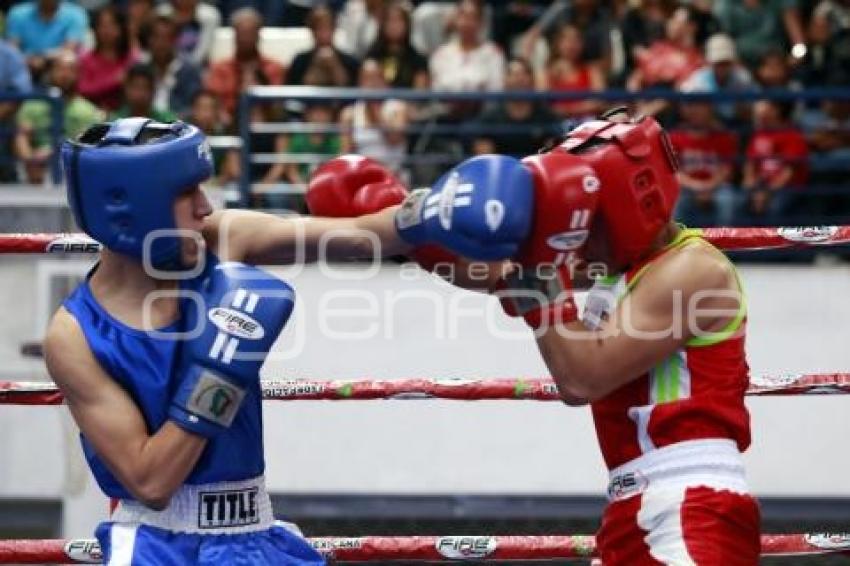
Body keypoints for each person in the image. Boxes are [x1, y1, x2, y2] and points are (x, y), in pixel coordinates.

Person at [47, 116, 516, 563]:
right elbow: (151, 481)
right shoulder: (74, 337)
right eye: (186, 193)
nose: (204, 207)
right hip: (158, 546)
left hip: (254, 534)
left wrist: (431, 207)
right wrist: (221, 370)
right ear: (135, 207)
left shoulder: (223, 240)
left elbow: (358, 233)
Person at [310, 110, 761, 565]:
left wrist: (541, 270)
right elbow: (492, 274)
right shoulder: (617, 267)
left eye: (590, 216)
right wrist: (421, 232)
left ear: (633, 199)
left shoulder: (693, 270)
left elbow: (582, 378)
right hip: (635, 504)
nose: (580, 232)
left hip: (691, 503)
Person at [15, 50, 103, 184]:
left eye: (70, 70)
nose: (65, 75)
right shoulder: (32, 105)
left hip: (71, 169)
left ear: (78, 75)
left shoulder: (89, 112)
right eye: (59, 69)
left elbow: (85, 147)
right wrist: (30, 160)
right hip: (35, 169)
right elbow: (21, 137)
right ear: (50, 73)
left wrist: (52, 153)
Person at [204, 7, 284, 127]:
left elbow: (278, 108)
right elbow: (212, 105)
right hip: (228, 129)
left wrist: (257, 92)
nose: (245, 38)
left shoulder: (274, 68)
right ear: (234, 34)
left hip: (268, 128)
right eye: (242, 33)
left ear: (259, 35)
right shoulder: (219, 69)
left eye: (250, 33)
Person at [467, 57, 559, 158]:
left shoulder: (546, 116)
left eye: (524, 74)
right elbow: (485, 160)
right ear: (504, 80)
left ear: (532, 79)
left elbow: (552, 156)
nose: (519, 79)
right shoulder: (490, 117)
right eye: (513, 74)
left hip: (536, 171)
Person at [742, 99, 809, 224]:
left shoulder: (793, 136)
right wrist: (750, 187)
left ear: (776, 110)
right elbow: (750, 164)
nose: (759, 108)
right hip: (760, 184)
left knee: (775, 207)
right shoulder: (760, 133)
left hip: (786, 188)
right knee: (739, 201)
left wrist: (767, 193)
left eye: (765, 104)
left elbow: (788, 173)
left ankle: (774, 243)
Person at [5, 0, 89, 80]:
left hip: (55, 66)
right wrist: (29, 61)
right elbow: (12, 50)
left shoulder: (76, 14)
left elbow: (68, 49)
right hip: (23, 67)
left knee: (67, 60)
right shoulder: (18, 13)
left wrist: (42, 59)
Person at [78, 6, 140, 112]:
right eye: (102, 26)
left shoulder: (130, 58)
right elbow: (83, 89)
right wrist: (115, 81)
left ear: (121, 28)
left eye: (112, 25)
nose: (107, 30)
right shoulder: (86, 59)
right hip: (92, 113)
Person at [140, 14, 203, 118]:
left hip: (177, 125)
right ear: (148, 40)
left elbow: (193, 106)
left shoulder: (188, 69)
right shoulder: (141, 68)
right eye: (156, 37)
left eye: (166, 38)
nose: (161, 43)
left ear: (175, 40)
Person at [287, 6, 360, 87]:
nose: (323, 33)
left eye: (327, 27)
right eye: (317, 28)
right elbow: (291, 93)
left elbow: (355, 92)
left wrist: (335, 68)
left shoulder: (351, 63)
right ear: (311, 31)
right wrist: (314, 70)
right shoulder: (299, 62)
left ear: (334, 29)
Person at [112, 63, 178, 122]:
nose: (141, 93)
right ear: (126, 89)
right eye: (136, 87)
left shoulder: (167, 121)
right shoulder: (115, 122)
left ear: (153, 90)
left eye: (146, 87)